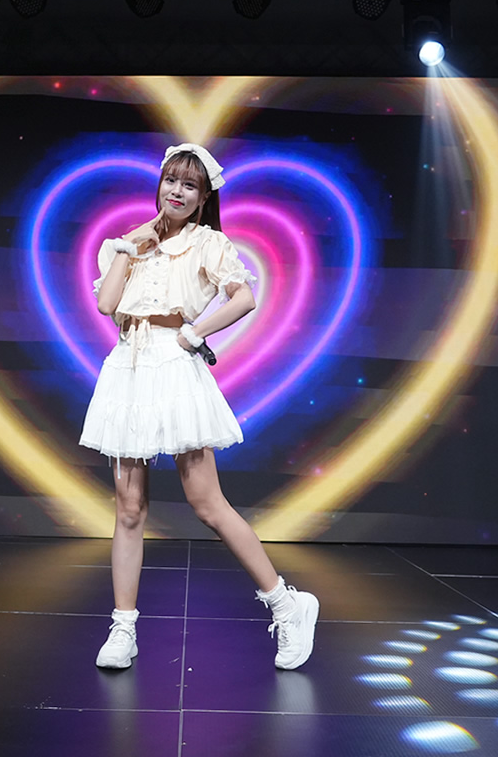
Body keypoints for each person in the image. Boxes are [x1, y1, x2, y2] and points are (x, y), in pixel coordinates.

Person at [81, 143, 319, 671]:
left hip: (172, 366)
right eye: (171, 180)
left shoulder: (208, 243)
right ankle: (123, 628)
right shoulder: (129, 243)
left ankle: (287, 604)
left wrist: (194, 333)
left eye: (190, 185)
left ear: (204, 196)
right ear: (159, 184)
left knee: (207, 503)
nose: (177, 191)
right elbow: (106, 304)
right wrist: (130, 246)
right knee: (128, 509)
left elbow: (244, 297)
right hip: (127, 367)